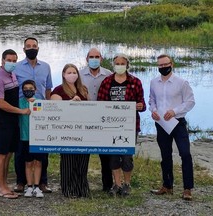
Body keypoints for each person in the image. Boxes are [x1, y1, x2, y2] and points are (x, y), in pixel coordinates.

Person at [97, 53, 146, 196]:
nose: (119, 66)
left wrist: (139, 106)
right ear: (113, 65)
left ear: (127, 65)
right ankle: (116, 184)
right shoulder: (107, 81)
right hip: (110, 126)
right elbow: (101, 103)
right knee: (113, 156)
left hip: (129, 126)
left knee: (126, 156)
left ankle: (127, 184)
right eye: (117, 64)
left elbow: (142, 105)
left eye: (122, 63)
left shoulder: (135, 82)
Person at [149, 54, 195, 201]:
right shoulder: (153, 82)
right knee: (165, 155)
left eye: (165, 64)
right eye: (160, 65)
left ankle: (187, 189)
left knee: (185, 154)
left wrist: (174, 111)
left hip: (178, 122)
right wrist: (153, 111)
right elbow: (151, 100)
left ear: (171, 64)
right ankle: (167, 186)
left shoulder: (182, 82)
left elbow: (190, 102)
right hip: (161, 123)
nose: (163, 67)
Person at [0, 49, 31, 199]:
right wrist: (20, 111)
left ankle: (4, 184)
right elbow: (0, 103)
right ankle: (1, 187)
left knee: (9, 154)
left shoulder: (12, 75)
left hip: (13, 122)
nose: (12, 63)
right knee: (1, 155)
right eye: (9, 61)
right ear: (2, 61)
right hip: (2, 122)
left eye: (14, 61)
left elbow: (12, 97)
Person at [14, 37, 53, 193]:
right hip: (23, 111)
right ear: (24, 49)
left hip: (41, 112)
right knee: (21, 149)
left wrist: (50, 109)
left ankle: (42, 182)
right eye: (28, 46)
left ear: (38, 48)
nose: (31, 48)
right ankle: (21, 182)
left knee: (42, 149)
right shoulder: (16, 68)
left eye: (34, 46)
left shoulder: (46, 67)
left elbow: (48, 89)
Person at [51, 63, 90, 198]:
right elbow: (54, 108)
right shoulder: (58, 90)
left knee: (83, 160)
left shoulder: (83, 89)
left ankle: (82, 188)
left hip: (83, 130)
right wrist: (71, 103)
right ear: (63, 74)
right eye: (69, 72)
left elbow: (91, 107)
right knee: (68, 161)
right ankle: (68, 189)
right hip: (66, 131)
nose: (72, 75)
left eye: (74, 72)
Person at [79, 48, 113, 192]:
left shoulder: (109, 75)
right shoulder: (79, 75)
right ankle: (81, 185)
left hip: (102, 118)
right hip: (84, 117)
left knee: (105, 154)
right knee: (82, 153)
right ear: (87, 59)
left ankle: (107, 185)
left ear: (101, 58)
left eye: (97, 56)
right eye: (91, 57)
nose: (94, 59)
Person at [19, 80, 45, 198]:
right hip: (25, 137)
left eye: (31, 88)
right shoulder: (19, 103)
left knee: (38, 162)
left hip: (39, 138)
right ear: (22, 90)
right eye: (25, 88)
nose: (28, 90)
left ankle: (37, 186)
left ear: (35, 90)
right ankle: (29, 187)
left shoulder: (40, 103)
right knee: (28, 163)